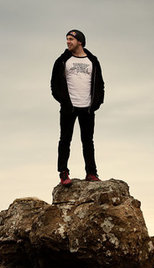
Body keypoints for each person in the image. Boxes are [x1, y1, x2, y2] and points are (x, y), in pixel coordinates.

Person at [51, 29, 105, 185]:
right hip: (69, 107)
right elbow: (54, 84)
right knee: (65, 140)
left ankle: (91, 173)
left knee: (88, 141)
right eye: (67, 39)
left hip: (87, 108)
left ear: (79, 41)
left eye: (71, 39)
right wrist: (63, 101)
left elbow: (100, 84)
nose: (68, 42)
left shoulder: (92, 61)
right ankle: (63, 173)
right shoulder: (62, 61)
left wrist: (96, 103)